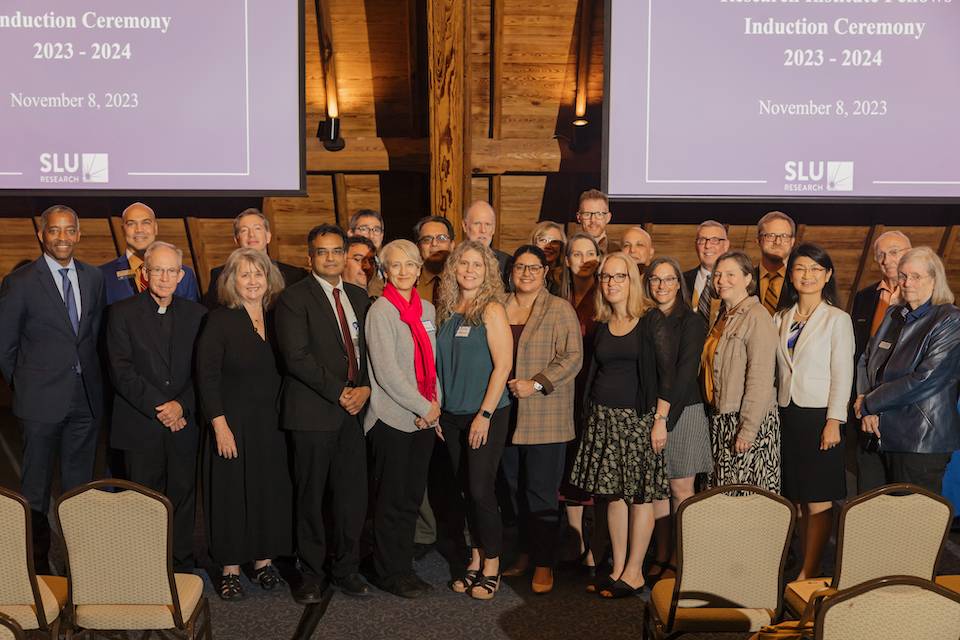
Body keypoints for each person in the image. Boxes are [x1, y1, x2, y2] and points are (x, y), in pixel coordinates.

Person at [0, 205, 106, 573]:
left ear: (78, 235)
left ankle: (80, 566)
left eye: (69, 230)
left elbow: (93, 338)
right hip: (39, 402)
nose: (62, 237)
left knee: (79, 487)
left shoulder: (94, 278)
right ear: (41, 235)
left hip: (85, 400)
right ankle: (38, 569)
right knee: (36, 489)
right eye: (54, 231)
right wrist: (27, 385)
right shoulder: (21, 282)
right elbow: (5, 346)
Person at [275, 224, 373, 601]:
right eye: (322, 251)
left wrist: (364, 388)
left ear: (345, 254)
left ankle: (346, 568)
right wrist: (341, 391)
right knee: (311, 497)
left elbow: (367, 351)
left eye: (336, 251)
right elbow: (296, 357)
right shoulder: (293, 299)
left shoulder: (358, 297)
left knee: (352, 496)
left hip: (353, 413)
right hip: (313, 413)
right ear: (310, 257)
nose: (330, 257)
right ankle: (312, 573)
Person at [569, 252, 673, 600]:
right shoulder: (601, 321)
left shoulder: (650, 320)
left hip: (639, 421)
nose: (611, 283)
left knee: (640, 497)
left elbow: (666, 375)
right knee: (611, 495)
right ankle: (616, 568)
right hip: (603, 419)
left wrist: (660, 421)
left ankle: (635, 571)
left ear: (632, 280)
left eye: (619, 276)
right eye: (605, 277)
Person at [196, 248, 293, 600]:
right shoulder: (219, 320)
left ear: (269, 280)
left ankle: (263, 562)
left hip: (271, 424)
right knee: (230, 495)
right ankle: (231, 569)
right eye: (245, 275)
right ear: (232, 282)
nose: (252, 281)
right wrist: (219, 425)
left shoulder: (279, 317)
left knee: (269, 492)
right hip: (231, 424)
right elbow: (206, 377)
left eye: (258, 274)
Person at [106, 241, 207, 572]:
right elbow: (120, 370)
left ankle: (180, 564)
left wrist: (181, 406)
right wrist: (162, 407)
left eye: (171, 270)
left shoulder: (198, 315)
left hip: (184, 422)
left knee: (183, 495)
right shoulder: (120, 313)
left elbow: (204, 371)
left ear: (181, 275)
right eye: (157, 270)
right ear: (144, 274)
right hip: (141, 423)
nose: (164, 277)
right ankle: (144, 567)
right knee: (141, 499)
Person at [500, 245, 583, 594]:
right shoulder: (499, 306)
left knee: (541, 494)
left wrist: (535, 384)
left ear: (545, 272)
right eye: (521, 267)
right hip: (504, 416)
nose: (527, 273)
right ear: (511, 271)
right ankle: (523, 553)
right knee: (511, 491)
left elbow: (572, 358)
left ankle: (545, 563)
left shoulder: (558, 308)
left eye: (535, 267)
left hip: (544, 416)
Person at [363, 239, 442, 599]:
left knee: (411, 498)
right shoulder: (380, 311)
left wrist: (435, 407)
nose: (405, 270)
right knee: (391, 500)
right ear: (385, 270)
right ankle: (387, 571)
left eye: (411, 264)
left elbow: (432, 363)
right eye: (396, 265)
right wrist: (422, 407)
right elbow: (388, 373)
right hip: (392, 419)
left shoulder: (427, 308)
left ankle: (403, 566)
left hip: (423, 420)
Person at [436, 241, 513, 600]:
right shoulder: (447, 308)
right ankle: (475, 557)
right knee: (464, 489)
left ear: (488, 272)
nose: (469, 270)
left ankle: (493, 564)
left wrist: (483, 414)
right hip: (451, 415)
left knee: (482, 490)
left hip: (486, 413)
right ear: (454, 268)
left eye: (477, 265)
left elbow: (503, 367)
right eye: (463, 264)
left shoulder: (492, 309)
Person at [773, 244, 854, 579]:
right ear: (791, 275)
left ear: (828, 275)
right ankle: (800, 568)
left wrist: (834, 420)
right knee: (796, 497)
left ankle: (810, 571)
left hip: (820, 416)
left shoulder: (837, 319)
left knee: (818, 499)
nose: (807, 276)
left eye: (815, 270)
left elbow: (843, 373)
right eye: (800, 268)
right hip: (787, 414)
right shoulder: (781, 316)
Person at [856, 247, 960, 495]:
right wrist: (864, 403)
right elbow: (866, 360)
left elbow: (925, 379)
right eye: (902, 276)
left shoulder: (950, 319)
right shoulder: (895, 315)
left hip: (918, 440)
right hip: (877, 433)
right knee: (870, 519)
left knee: (912, 526)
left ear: (934, 279)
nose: (906, 282)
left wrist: (870, 403)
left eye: (915, 276)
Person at [644, 257, 712, 581]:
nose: (662, 285)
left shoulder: (692, 321)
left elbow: (685, 375)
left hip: (682, 410)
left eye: (669, 279)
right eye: (656, 279)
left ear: (678, 284)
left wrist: (663, 418)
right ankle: (661, 553)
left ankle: (682, 559)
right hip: (654, 410)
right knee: (658, 489)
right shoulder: (647, 318)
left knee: (680, 488)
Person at [701, 250, 780, 491]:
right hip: (722, 418)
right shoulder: (723, 316)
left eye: (730, 274)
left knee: (745, 500)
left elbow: (760, 379)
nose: (722, 280)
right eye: (718, 275)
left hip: (745, 420)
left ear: (748, 279)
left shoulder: (757, 317)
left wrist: (747, 430)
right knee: (722, 497)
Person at [850, 230, 912, 492]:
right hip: (866, 406)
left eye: (894, 252)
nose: (887, 260)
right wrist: (864, 402)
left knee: (903, 493)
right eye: (881, 255)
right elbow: (859, 354)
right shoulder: (865, 297)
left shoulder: (925, 298)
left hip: (904, 410)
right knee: (869, 490)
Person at [558, 232, 603, 573]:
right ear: (567, 259)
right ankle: (574, 540)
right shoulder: (558, 295)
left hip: (596, 387)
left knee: (594, 465)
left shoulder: (605, 294)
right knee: (570, 464)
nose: (584, 259)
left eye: (591, 253)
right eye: (577, 253)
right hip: (563, 390)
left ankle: (596, 545)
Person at [101, 202, 200, 304]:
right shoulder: (103, 275)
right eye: (131, 223)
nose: (139, 230)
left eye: (146, 223)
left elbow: (192, 316)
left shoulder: (185, 275)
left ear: (155, 228)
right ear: (122, 230)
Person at [204, 208, 307, 307]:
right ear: (236, 239)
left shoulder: (295, 275)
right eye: (244, 230)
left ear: (268, 236)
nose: (251, 235)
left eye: (257, 228)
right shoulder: (220, 275)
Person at [683, 220, 730, 328]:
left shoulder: (739, 282)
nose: (707, 245)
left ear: (726, 245)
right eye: (702, 240)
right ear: (696, 245)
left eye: (714, 240)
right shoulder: (681, 280)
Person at [755, 211, 797, 315]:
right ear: (758, 240)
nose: (777, 242)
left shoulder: (800, 280)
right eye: (770, 235)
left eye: (784, 236)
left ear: (792, 242)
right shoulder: (743, 279)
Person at [463, 200, 511, 280]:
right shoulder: (452, 261)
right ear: (465, 226)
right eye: (477, 223)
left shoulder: (507, 263)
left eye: (488, 224)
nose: (483, 230)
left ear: (493, 229)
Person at [415, 215, 456, 306]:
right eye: (427, 239)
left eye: (441, 238)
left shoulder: (465, 278)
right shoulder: (409, 280)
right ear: (418, 247)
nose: (434, 244)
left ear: (452, 245)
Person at [347, 209, 386, 297]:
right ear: (350, 233)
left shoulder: (387, 261)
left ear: (382, 235)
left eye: (376, 230)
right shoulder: (345, 261)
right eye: (364, 229)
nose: (371, 235)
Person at [576, 189, 619, 254]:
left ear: (608, 218)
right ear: (579, 217)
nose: (593, 220)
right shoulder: (568, 250)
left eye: (599, 214)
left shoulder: (618, 251)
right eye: (587, 214)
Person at [529, 221, 566, 295]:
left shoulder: (567, 277)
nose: (548, 246)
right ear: (533, 243)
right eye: (543, 240)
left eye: (554, 242)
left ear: (562, 247)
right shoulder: (521, 273)